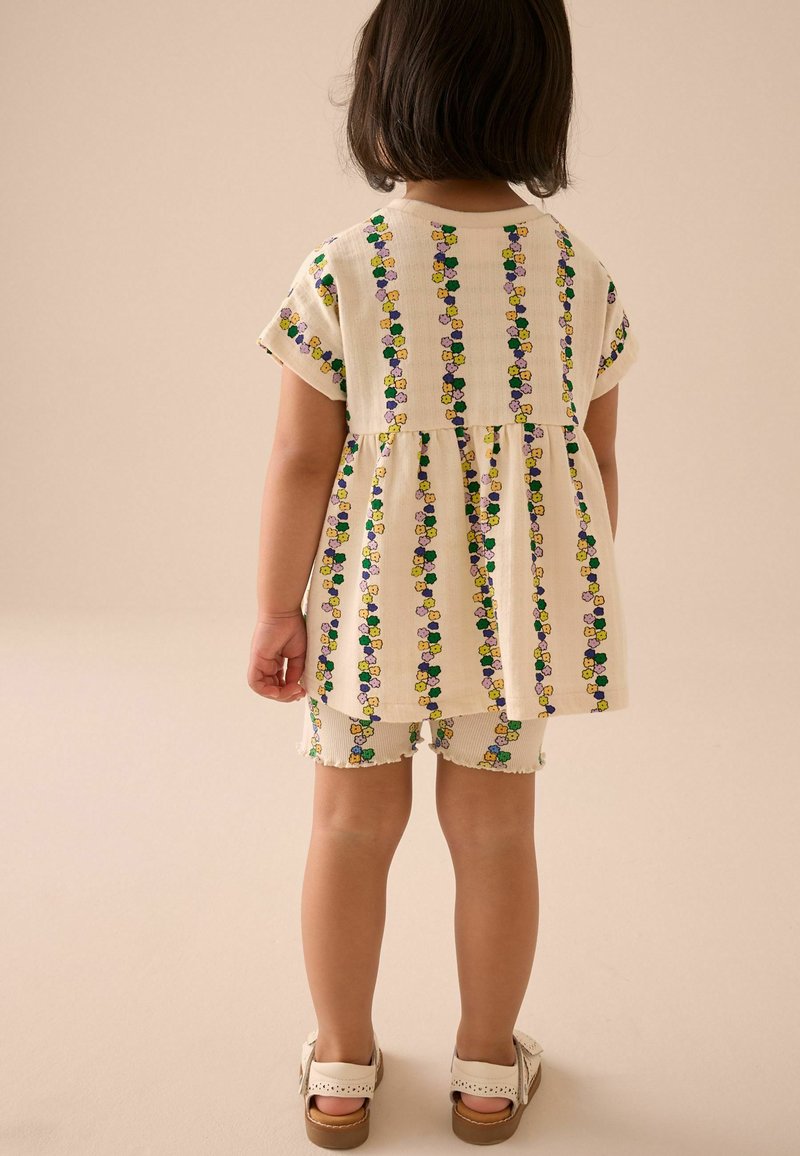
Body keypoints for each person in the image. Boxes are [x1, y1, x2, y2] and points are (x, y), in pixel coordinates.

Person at [247, 0, 640, 1146]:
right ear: (538, 100)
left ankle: (339, 1069)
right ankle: (482, 1070)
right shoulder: (576, 275)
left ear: (384, 96)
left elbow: (299, 459)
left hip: (367, 614)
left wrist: (276, 607)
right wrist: (565, 610)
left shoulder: (345, 269)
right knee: (496, 835)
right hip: (510, 627)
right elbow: (594, 462)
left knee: (346, 828)